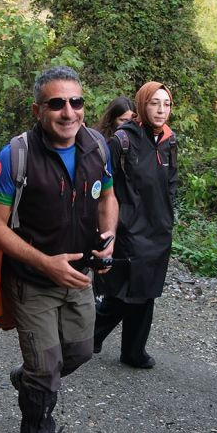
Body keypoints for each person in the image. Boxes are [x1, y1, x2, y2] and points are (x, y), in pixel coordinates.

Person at [0, 66, 118, 433]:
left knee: (79, 353)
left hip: (80, 276)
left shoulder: (98, 145)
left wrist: (110, 235)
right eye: (56, 103)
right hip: (34, 281)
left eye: (75, 102)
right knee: (46, 369)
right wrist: (45, 263)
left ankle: (26, 379)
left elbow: (108, 197)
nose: (68, 112)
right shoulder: (16, 156)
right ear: (38, 109)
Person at [93, 82, 177, 369]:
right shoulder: (123, 140)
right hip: (129, 227)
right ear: (142, 105)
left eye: (166, 104)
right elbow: (106, 187)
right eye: (154, 103)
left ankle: (130, 349)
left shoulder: (169, 141)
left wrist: (168, 218)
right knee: (126, 290)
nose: (161, 109)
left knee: (146, 288)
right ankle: (96, 338)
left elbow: (171, 183)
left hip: (158, 228)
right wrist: (113, 225)